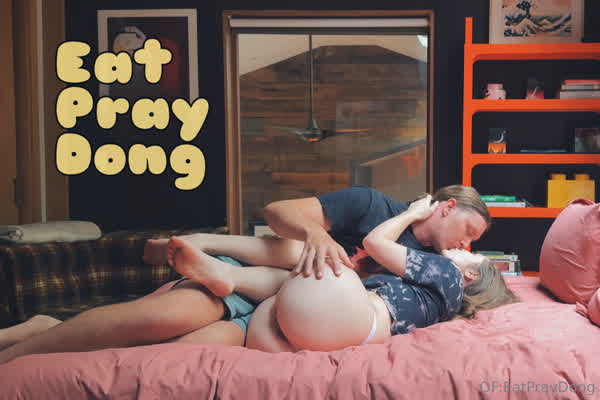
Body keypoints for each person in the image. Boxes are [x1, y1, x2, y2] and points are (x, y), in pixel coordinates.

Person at [0, 190, 517, 363]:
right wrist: (316, 236)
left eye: (471, 247)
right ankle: (18, 356)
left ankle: (48, 327)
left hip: (282, 311)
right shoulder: (373, 206)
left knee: (171, 355)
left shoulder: (433, 273)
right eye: (468, 233)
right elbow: (275, 212)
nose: (465, 247)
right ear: (445, 206)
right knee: (166, 316)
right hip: (265, 275)